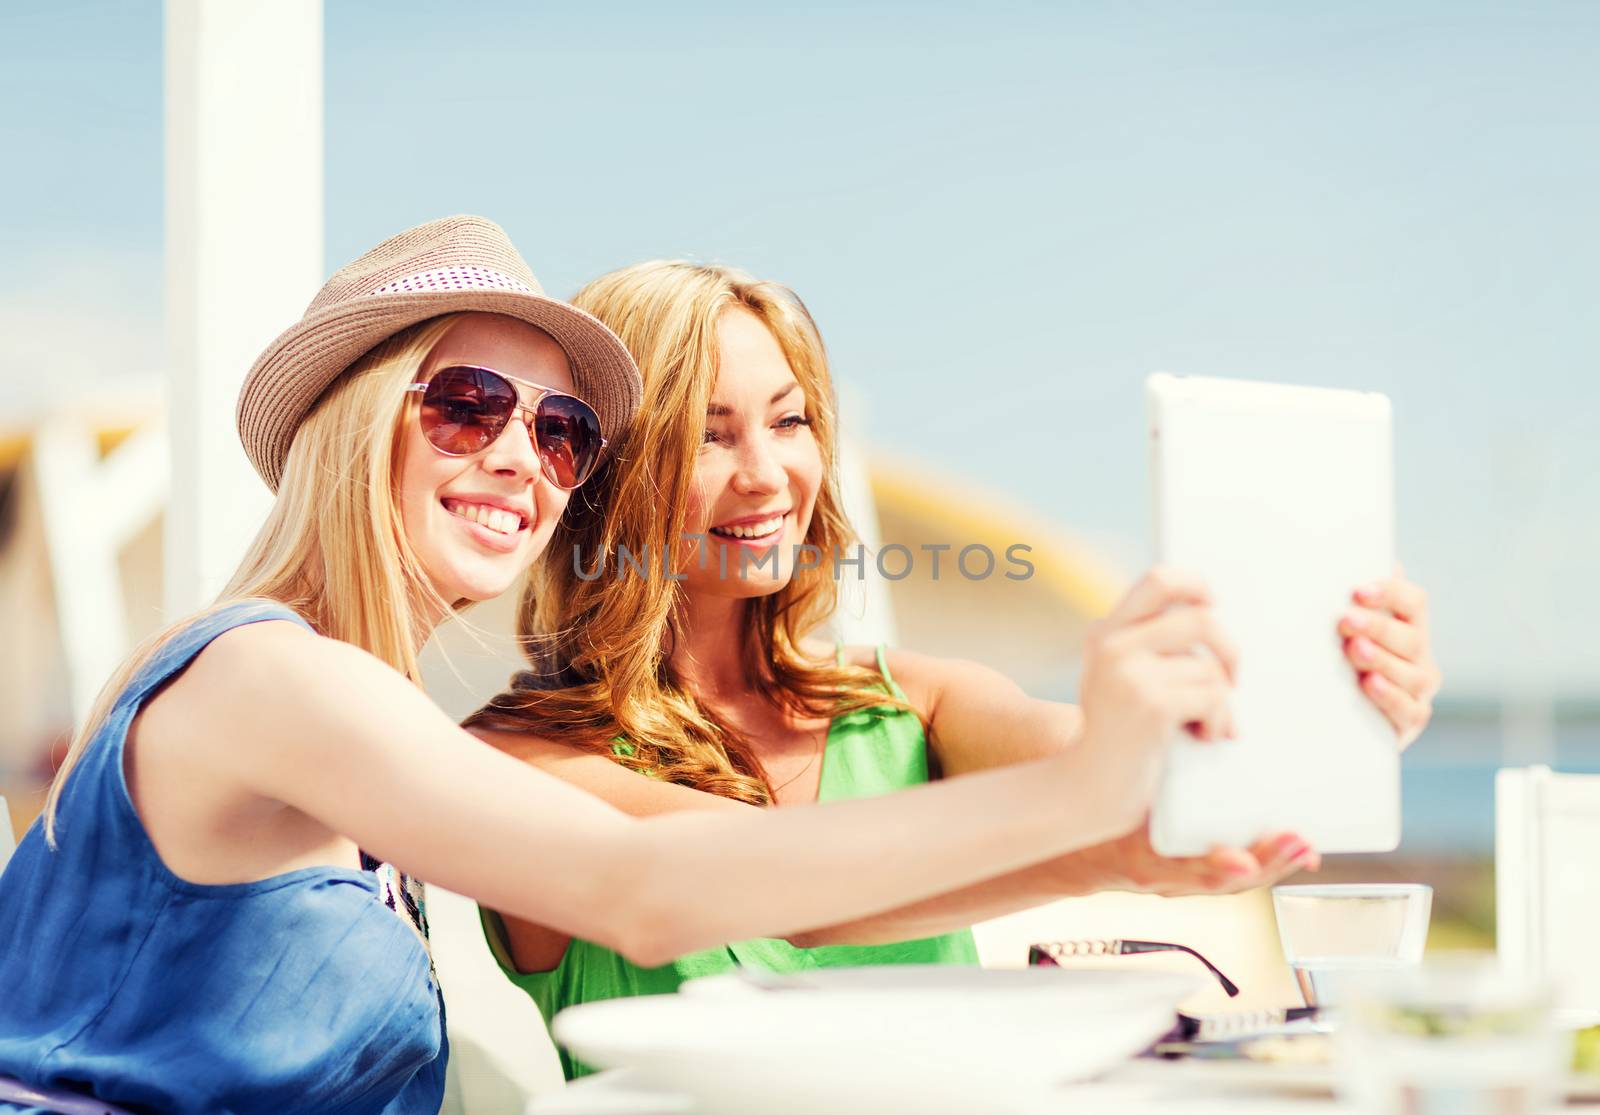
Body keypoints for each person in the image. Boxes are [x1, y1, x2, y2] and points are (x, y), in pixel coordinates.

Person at [0, 219, 1238, 1115]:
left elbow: (764, 900)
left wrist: (1134, 825)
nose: (522, 456)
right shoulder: (275, 678)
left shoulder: (347, 717)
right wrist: (1087, 810)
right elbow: (642, 884)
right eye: (467, 403)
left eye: (562, 429)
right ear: (354, 420)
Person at [467, 260, 1442, 1078]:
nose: (768, 473)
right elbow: (792, 891)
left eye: (790, 420)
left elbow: (1130, 768)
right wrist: (1101, 831)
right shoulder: (516, 759)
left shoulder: (914, 702)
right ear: (606, 465)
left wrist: (1324, 706)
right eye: (709, 434)